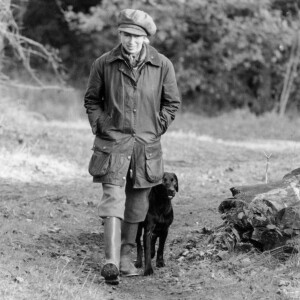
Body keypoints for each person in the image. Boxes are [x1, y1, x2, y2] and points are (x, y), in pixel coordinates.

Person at [84, 8, 181, 284]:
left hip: (145, 148)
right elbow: (92, 100)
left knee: (138, 204)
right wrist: (103, 125)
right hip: (112, 144)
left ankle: (127, 258)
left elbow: (172, 103)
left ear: (146, 38)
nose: (131, 41)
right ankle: (111, 261)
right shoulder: (103, 63)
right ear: (120, 34)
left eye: (137, 36)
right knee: (113, 200)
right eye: (126, 34)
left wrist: (156, 127)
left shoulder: (162, 65)